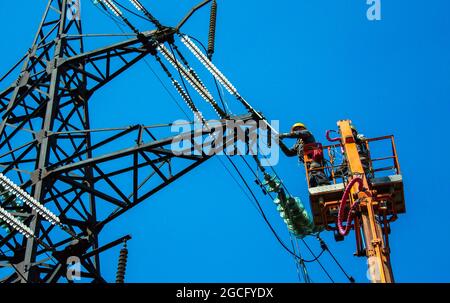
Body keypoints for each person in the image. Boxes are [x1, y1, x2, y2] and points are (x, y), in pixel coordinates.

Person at [278, 122, 330, 187]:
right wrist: (279, 143)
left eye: (299, 128)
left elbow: (299, 134)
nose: (297, 130)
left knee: (315, 170)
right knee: (311, 178)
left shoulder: (307, 133)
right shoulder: (298, 144)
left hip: (315, 157)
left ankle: (325, 185)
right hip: (308, 162)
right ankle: (316, 190)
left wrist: (283, 135)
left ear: (303, 128)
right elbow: (289, 153)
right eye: (295, 129)